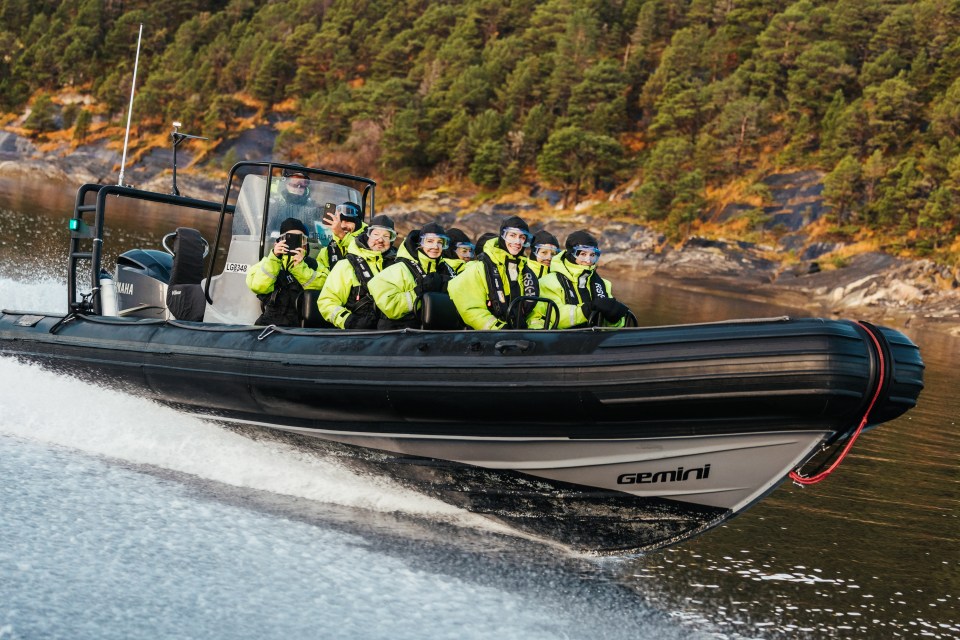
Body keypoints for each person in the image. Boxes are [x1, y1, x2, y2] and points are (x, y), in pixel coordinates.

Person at [448, 216, 540, 330]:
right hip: (488, 338)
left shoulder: (526, 272)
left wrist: (536, 330)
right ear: (502, 236)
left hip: (521, 336)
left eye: (522, 237)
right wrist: (498, 329)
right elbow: (471, 309)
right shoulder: (479, 269)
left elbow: (536, 310)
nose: (517, 242)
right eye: (512, 235)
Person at [532, 230, 630, 329]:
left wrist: (614, 318)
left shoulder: (604, 284)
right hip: (563, 339)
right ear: (571, 254)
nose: (588, 260)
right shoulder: (548, 282)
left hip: (594, 339)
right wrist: (587, 309)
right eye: (583, 254)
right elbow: (555, 317)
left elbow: (612, 328)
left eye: (592, 255)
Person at [368, 222, 456, 330]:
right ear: (420, 243)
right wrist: (420, 291)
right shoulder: (399, 269)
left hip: (438, 335)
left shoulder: (448, 270)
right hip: (400, 336)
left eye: (440, 242)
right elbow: (390, 307)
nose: (435, 246)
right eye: (429, 241)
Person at [317, 215, 396, 330]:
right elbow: (327, 302)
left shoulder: (398, 266)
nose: (380, 240)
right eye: (376, 234)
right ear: (367, 235)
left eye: (386, 236)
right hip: (356, 336)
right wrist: (349, 321)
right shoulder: (346, 265)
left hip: (391, 336)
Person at [246, 218, 326, 326]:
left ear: (306, 243)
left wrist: (300, 268)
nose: (294, 243)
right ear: (278, 242)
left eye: (300, 239)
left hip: (304, 328)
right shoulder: (267, 262)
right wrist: (274, 258)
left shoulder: (315, 265)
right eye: (288, 239)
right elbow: (258, 286)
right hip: (272, 326)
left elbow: (325, 288)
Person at [269, 168, 321, 233]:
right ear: (285, 183)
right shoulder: (275, 207)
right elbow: (266, 233)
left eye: (303, 182)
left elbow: (320, 235)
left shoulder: (313, 208)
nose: (298, 186)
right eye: (294, 181)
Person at [317, 201, 366, 270]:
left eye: (348, 221)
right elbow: (323, 278)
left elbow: (367, 254)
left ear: (358, 223)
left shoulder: (370, 238)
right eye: (339, 222)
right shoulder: (327, 252)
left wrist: (341, 235)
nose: (342, 226)